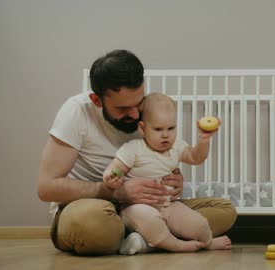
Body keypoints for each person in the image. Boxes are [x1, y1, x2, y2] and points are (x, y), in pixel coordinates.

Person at [37, 49, 237, 255]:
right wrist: (116, 191)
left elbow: (172, 155)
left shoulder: (149, 109)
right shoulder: (77, 111)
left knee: (225, 210)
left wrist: (173, 180)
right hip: (94, 208)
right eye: (123, 108)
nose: (134, 114)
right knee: (92, 227)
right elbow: (46, 188)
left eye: (138, 103)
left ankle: (143, 240)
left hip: (154, 207)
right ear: (97, 101)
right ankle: (152, 236)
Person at [103, 92, 231, 254]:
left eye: (171, 128)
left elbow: (195, 157)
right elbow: (116, 167)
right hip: (136, 206)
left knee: (198, 223)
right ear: (142, 128)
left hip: (169, 205)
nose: (166, 134)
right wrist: (111, 176)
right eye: (158, 129)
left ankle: (206, 241)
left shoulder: (176, 146)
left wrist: (203, 140)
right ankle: (176, 245)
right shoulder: (134, 148)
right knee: (149, 220)